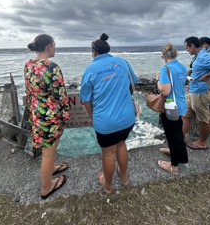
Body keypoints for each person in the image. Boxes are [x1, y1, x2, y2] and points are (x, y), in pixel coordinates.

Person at [80, 33, 138, 194]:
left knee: (108, 152)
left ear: (93, 51)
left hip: (105, 122)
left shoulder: (90, 69)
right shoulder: (122, 62)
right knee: (121, 144)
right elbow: (134, 83)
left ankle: (108, 185)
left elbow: (86, 100)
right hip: (127, 118)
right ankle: (124, 178)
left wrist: (94, 117)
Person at [24, 34, 70, 199]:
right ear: (49, 46)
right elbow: (61, 95)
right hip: (50, 116)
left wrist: (32, 113)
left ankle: (51, 168)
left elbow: (29, 92)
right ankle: (46, 187)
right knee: (48, 153)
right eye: (54, 44)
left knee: (49, 149)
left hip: (36, 112)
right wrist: (65, 114)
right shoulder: (52, 67)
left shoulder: (29, 65)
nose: (55, 47)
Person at [157, 43, 188, 175]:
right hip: (181, 104)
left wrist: (158, 80)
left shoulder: (166, 68)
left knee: (173, 134)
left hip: (171, 107)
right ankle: (174, 151)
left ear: (164, 56)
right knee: (177, 132)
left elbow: (165, 90)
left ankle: (173, 166)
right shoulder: (182, 67)